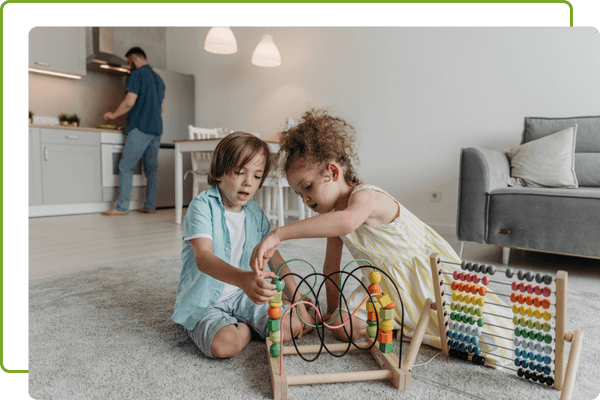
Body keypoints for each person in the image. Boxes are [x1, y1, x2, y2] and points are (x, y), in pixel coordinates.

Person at [250, 108, 512, 366]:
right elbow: (331, 268)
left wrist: (280, 233)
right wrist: (332, 311)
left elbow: (348, 221)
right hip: (385, 290)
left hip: (425, 280)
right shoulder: (335, 217)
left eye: (308, 187)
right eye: (300, 194)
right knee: (343, 326)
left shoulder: (365, 198)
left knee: (484, 335)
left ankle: (408, 324)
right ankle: (396, 328)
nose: (306, 199)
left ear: (332, 171)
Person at [171, 132, 312, 359]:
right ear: (219, 172)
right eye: (240, 172)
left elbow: (276, 260)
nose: (248, 182)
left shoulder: (255, 213)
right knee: (225, 345)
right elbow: (203, 258)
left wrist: (297, 300)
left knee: (293, 326)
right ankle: (246, 329)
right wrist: (244, 280)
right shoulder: (202, 206)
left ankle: (261, 316)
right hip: (206, 302)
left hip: (244, 296)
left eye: (257, 176)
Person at [102, 47, 166, 216]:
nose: (129, 65)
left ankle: (121, 207)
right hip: (156, 129)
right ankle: (150, 206)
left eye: (129, 62)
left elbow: (129, 102)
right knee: (151, 170)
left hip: (141, 127)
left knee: (126, 166)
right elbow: (162, 109)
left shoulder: (137, 75)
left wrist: (113, 115)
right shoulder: (159, 79)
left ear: (135, 58)